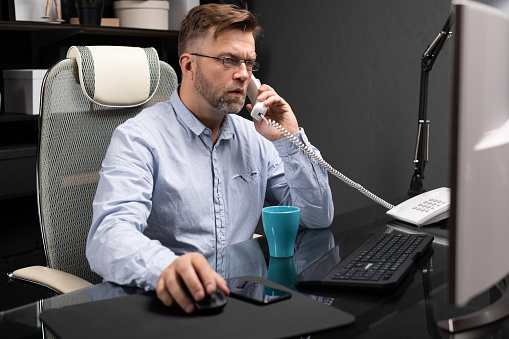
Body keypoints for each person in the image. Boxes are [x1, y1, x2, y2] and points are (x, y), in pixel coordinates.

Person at [86, 3, 334, 314]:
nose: (243, 74)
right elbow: (107, 239)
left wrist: (290, 139)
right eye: (229, 60)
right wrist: (168, 268)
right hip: (172, 309)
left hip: (240, 308)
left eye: (250, 63)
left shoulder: (256, 137)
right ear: (188, 65)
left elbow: (317, 217)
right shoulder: (139, 138)